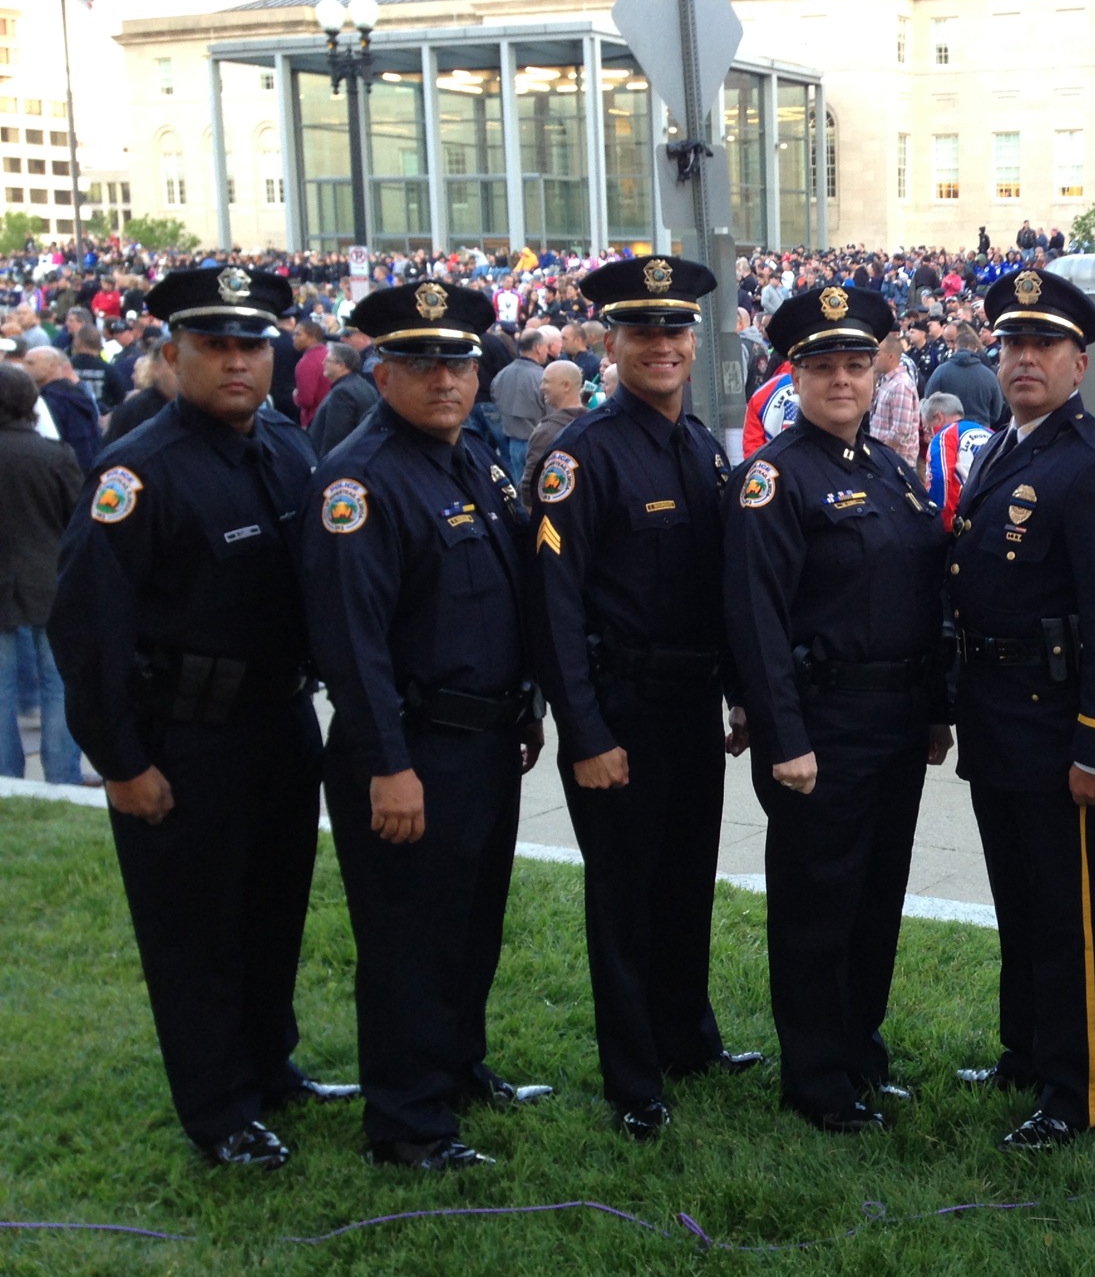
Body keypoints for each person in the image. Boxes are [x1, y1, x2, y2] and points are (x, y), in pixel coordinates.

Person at [47, 265, 356, 1173]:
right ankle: (217, 1107)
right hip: (183, 741)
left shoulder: (288, 452)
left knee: (270, 911)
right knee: (196, 929)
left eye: (250, 345)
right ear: (172, 353)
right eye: (213, 345)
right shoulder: (137, 474)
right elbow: (86, 628)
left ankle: (269, 1068)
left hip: (276, 725)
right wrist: (120, 760)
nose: (235, 363)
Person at [300, 281, 551, 1171]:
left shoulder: (468, 458)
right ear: (385, 367)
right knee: (409, 938)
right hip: (412, 749)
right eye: (423, 363)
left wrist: (522, 706)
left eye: (459, 362)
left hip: (481, 743)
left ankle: (454, 1066)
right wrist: (386, 763)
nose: (446, 380)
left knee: (470, 923)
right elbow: (353, 644)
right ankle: (407, 1120)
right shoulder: (359, 480)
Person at [526, 256, 763, 1141]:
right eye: (642, 332)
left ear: (693, 342)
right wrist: (583, 731)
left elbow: (719, 590)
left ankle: (686, 1038)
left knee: (684, 884)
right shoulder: (579, 456)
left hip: (690, 708)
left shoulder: (700, 445)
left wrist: (738, 693)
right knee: (624, 899)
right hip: (618, 710)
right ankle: (633, 1075)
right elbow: (551, 608)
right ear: (611, 345)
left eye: (674, 330)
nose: (661, 345)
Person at [723, 284, 951, 1135]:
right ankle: (816, 1079)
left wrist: (933, 712)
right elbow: (756, 622)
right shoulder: (772, 478)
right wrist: (783, 736)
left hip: (893, 724)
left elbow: (918, 596)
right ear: (796, 375)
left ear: (878, 369)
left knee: (875, 898)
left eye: (858, 363)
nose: (844, 380)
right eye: (825, 367)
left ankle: (859, 1051)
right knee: (818, 907)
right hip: (821, 729)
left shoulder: (888, 469)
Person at [949, 269, 1095, 1149]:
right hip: (997, 719)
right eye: (1012, 344)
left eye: (1044, 345)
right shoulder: (1004, 446)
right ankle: (1027, 1050)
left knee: (1068, 913)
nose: (1024, 359)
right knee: (1019, 901)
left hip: (1059, 730)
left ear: (1080, 362)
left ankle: (1075, 1088)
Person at [0, 363, 84, 785]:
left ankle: (6, 777)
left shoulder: (53, 455)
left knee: (2, 691)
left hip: (13, 579)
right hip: (50, 579)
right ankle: (62, 775)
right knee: (59, 687)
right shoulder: (56, 456)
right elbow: (80, 524)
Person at [518, 359, 588, 503]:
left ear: (566, 386)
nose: (542, 387)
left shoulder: (547, 432)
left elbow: (530, 485)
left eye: (547, 382)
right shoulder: (594, 425)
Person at [24, 346, 99, 473]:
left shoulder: (50, 400)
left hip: (62, 469)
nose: (25, 368)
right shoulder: (79, 395)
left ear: (52, 366)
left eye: (31, 363)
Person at [922, 391, 988, 531]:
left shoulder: (944, 436)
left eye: (928, 428)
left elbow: (939, 478)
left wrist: (938, 525)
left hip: (966, 518)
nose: (928, 436)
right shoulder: (990, 432)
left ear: (938, 417)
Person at [491, 327, 549, 479]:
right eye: (545, 347)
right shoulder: (542, 377)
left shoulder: (503, 374)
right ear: (538, 348)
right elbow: (552, 411)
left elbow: (495, 397)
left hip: (514, 443)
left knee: (520, 489)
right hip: (537, 443)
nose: (547, 352)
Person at [307, 342, 381, 457]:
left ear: (341, 365)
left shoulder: (342, 392)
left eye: (328, 360)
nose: (323, 363)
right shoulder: (363, 385)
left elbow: (335, 436)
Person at [925, 318, 1002, 427]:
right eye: (947, 341)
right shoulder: (989, 375)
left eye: (952, 341)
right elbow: (996, 413)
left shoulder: (941, 371)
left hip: (949, 430)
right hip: (980, 431)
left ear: (959, 343)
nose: (949, 346)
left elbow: (929, 401)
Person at [103, 339, 176, 445]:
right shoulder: (134, 410)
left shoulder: (198, 409)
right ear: (155, 368)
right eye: (173, 363)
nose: (181, 370)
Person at [869, 330, 923, 469]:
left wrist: (882, 456)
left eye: (878, 354)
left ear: (891, 356)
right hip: (886, 459)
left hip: (896, 463)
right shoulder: (887, 381)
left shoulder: (901, 385)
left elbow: (900, 430)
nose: (873, 358)